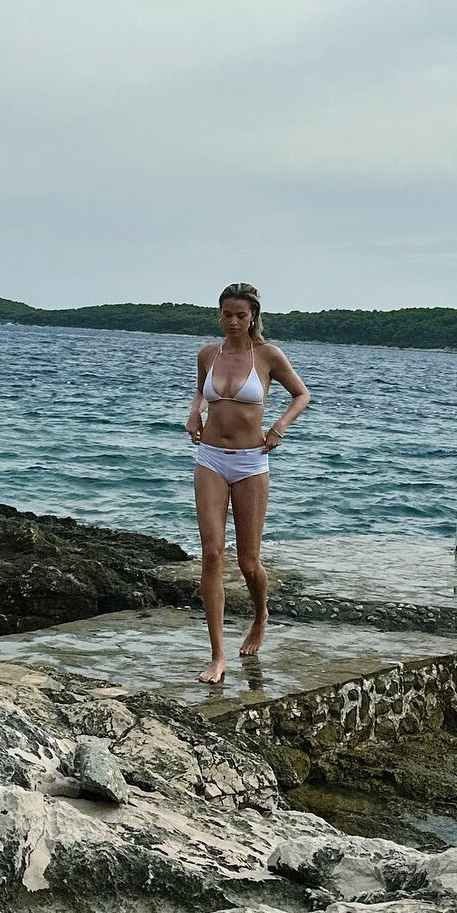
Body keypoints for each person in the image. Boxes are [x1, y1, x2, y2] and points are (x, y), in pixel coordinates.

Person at [186, 282, 310, 683]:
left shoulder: (268, 355)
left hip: (251, 463)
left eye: (241, 315)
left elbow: (301, 395)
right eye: (227, 314)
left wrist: (279, 427)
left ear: (253, 315)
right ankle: (217, 656)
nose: (233, 322)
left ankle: (260, 615)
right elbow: (201, 392)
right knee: (211, 554)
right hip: (210, 458)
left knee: (248, 562)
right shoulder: (209, 353)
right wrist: (194, 412)